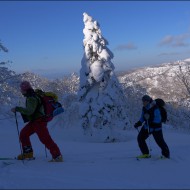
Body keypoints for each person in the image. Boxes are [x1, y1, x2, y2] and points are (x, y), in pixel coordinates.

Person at [11, 81, 63, 162]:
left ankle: (57, 156)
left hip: (39, 122)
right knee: (24, 134)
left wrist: (17, 109)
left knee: (45, 139)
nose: (20, 90)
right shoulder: (33, 95)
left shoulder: (31, 98)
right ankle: (28, 154)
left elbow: (29, 111)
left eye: (21, 89)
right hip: (35, 121)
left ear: (24, 90)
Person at [134, 95, 170, 159]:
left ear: (148, 101)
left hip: (156, 128)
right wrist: (139, 123)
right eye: (142, 101)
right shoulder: (144, 108)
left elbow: (158, 118)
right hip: (147, 127)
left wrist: (152, 124)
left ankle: (166, 155)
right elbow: (143, 117)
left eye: (144, 101)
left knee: (160, 141)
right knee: (140, 138)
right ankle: (145, 154)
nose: (143, 103)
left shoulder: (155, 108)